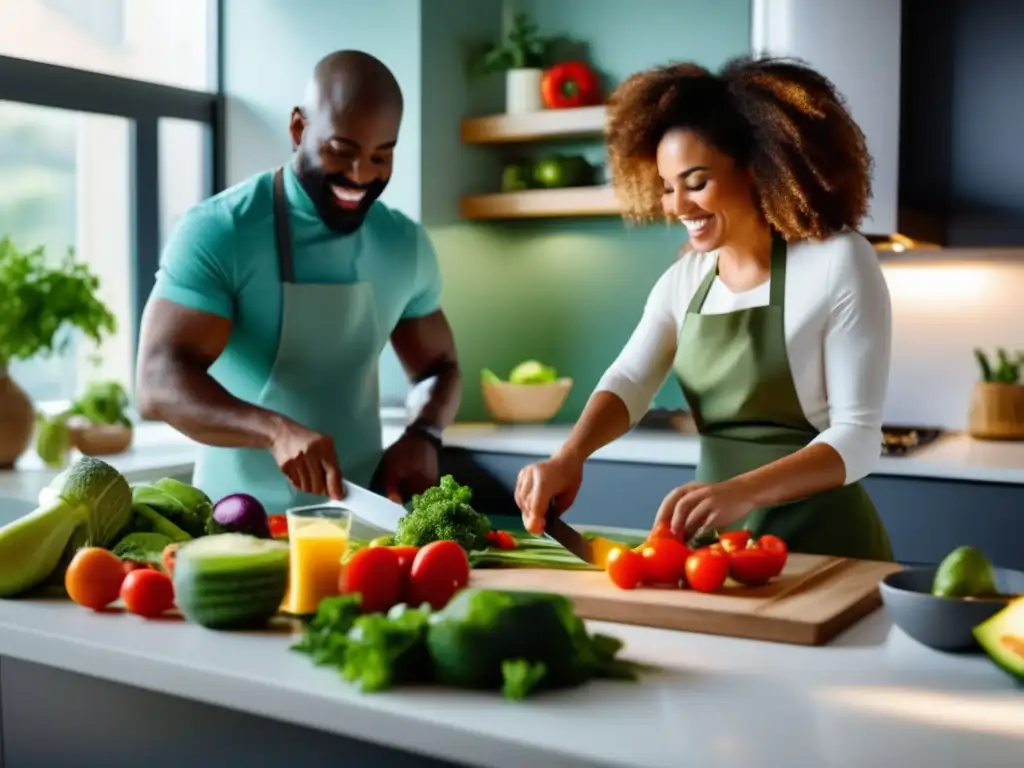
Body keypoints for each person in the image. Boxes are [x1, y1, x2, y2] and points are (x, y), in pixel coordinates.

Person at [514, 56, 894, 561]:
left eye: (695, 183)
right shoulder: (684, 281)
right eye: (668, 187)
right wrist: (569, 456)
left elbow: (860, 439)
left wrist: (742, 491)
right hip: (715, 549)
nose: (676, 206)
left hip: (828, 547)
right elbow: (629, 379)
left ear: (759, 168)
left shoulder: (836, 261)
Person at [135, 50, 461, 513]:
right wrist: (275, 431)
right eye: (340, 151)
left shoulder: (404, 245)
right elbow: (157, 381)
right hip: (236, 520)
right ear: (298, 128)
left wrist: (423, 433)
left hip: (362, 518)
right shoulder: (221, 231)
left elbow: (438, 367)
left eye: (380, 156)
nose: (359, 175)